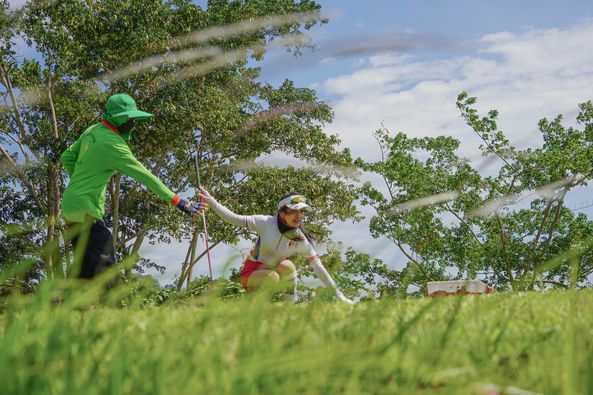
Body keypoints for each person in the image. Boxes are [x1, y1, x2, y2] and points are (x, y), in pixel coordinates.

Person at [61, 93, 204, 279]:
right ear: (120, 120)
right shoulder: (114, 145)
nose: (133, 123)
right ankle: (115, 307)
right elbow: (145, 176)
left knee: (85, 270)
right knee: (105, 265)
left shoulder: (93, 130)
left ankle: (68, 307)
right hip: (86, 210)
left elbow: (67, 157)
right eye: (130, 119)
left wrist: (80, 182)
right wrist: (179, 201)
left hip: (71, 206)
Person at [198, 187, 354, 304]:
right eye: (294, 211)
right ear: (282, 213)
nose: (299, 216)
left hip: (274, 272)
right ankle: (255, 310)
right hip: (251, 274)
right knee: (272, 277)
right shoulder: (265, 223)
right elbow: (233, 218)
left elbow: (318, 267)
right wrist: (211, 201)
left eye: (302, 212)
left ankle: (288, 310)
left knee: (288, 266)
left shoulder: (299, 239)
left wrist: (338, 294)